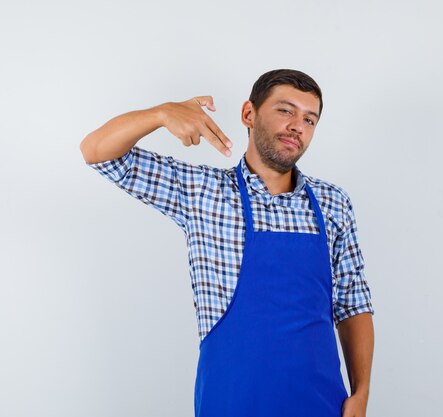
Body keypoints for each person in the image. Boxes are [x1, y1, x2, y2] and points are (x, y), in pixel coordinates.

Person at [80, 69, 375, 417]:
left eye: (310, 119)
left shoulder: (332, 202)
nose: (298, 125)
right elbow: (97, 152)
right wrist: (160, 114)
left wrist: (361, 393)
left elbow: (352, 303)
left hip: (321, 403)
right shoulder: (202, 191)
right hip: (231, 401)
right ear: (249, 114)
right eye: (286, 110)